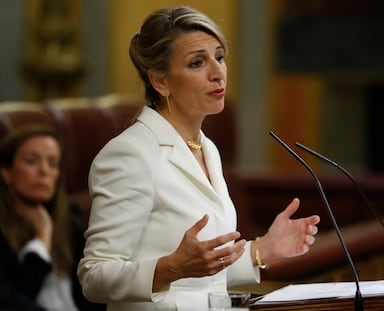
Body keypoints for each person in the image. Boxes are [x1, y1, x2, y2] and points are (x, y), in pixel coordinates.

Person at [77, 5, 320, 311]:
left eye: (219, 57)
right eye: (196, 63)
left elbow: (201, 277)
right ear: (160, 81)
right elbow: (94, 277)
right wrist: (171, 267)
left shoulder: (207, 148)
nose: (218, 73)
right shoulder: (130, 154)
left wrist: (263, 249)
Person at [0, 125, 104, 311]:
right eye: (32, 161)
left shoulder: (70, 218)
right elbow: (14, 300)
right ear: (6, 172)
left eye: (53, 163)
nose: (44, 171)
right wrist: (42, 236)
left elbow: (93, 291)